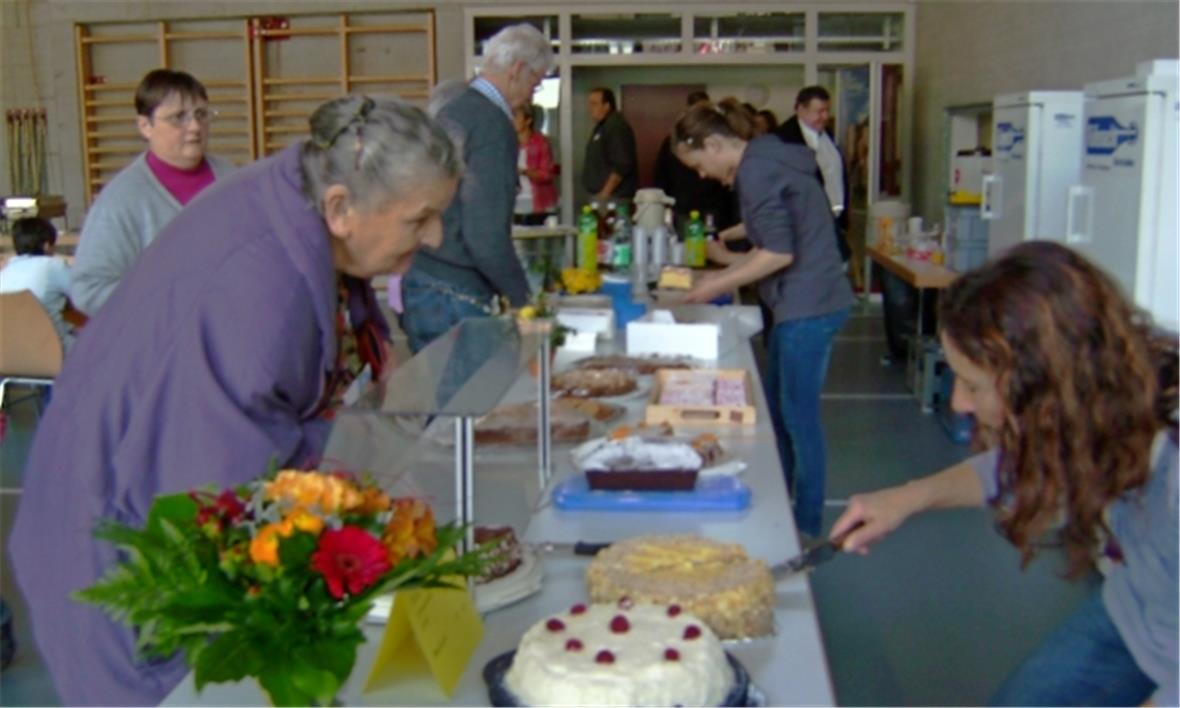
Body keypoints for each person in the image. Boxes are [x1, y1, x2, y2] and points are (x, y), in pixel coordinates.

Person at [8, 95, 462, 706]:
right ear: (339, 208)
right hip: (123, 548)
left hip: (142, 490)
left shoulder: (306, 188)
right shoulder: (261, 298)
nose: (435, 236)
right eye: (420, 218)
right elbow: (220, 499)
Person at [831, 241, 1178, 707]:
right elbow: (1019, 465)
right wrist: (909, 497)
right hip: (1137, 612)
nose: (959, 403)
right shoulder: (1098, 395)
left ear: (1045, 384)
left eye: (974, 386)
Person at [672, 98, 854, 538]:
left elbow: (778, 253)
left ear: (714, 145)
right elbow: (775, 229)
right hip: (807, 299)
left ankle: (805, 524)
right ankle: (782, 503)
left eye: (698, 164)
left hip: (808, 306)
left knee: (799, 418)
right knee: (778, 411)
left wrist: (714, 284)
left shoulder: (756, 171)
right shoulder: (767, 154)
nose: (702, 174)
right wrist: (725, 254)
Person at [400, 23, 553, 354]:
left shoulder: (454, 108)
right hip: (457, 294)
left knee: (434, 387)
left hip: (423, 280)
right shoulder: (492, 125)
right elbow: (485, 235)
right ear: (517, 70)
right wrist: (523, 300)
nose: (532, 94)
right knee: (471, 390)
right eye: (535, 82)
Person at [70, 69, 235, 316]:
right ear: (145, 126)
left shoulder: (232, 179)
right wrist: (167, 302)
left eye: (201, 115)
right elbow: (89, 290)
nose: (195, 127)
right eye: (178, 117)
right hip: (163, 334)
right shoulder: (121, 200)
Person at [774, 86, 851, 263]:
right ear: (801, 109)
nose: (825, 116)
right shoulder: (785, 139)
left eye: (827, 110)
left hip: (833, 220)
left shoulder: (826, 134)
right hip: (805, 226)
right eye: (819, 111)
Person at [652, 90, 736, 233]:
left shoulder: (715, 140)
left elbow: (661, 174)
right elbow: (662, 173)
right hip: (686, 204)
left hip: (709, 205)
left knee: (709, 240)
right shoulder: (674, 142)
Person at [0, 217, 75, 351]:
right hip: (54, 350)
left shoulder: (5, 272)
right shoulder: (53, 266)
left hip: (11, 355)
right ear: (46, 246)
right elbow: (84, 296)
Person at [583, 87, 638, 203]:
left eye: (594, 104)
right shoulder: (602, 127)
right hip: (603, 196)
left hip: (613, 198)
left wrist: (605, 193)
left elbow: (622, 164)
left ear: (607, 106)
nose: (590, 108)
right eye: (589, 104)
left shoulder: (616, 127)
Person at [513, 103, 557, 226]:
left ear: (528, 120)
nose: (512, 120)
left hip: (538, 200)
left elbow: (547, 174)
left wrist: (524, 172)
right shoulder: (509, 143)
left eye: (516, 116)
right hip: (515, 200)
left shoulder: (540, 143)